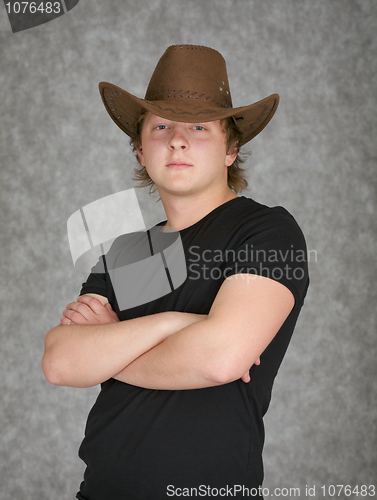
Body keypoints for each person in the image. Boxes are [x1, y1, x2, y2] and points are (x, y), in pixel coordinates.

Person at [42, 44, 309, 500]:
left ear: (231, 149)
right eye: (161, 126)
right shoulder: (129, 252)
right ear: (141, 152)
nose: (177, 140)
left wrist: (113, 343)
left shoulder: (265, 231)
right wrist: (178, 324)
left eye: (199, 127)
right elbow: (61, 361)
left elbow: (218, 359)